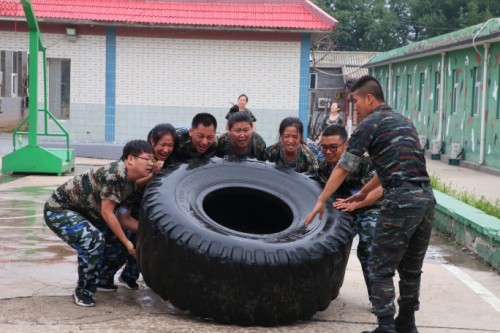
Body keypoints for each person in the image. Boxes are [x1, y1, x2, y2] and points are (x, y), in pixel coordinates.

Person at [305, 75, 436, 333]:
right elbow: (388, 168)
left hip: (400, 200)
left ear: (369, 98)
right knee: (411, 268)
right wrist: (362, 194)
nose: (355, 107)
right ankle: (407, 323)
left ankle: (386, 326)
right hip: (426, 199)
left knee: (380, 266)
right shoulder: (404, 122)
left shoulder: (370, 123)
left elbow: (344, 165)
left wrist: (321, 200)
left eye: (355, 101)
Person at [43, 140, 155, 307]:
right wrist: (127, 243)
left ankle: (102, 279)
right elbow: (107, 213)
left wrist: (152, 233)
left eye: (153, 160)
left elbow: (124, 218)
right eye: (147, 159)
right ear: (131, 159)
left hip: (87, 215)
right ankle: (84, 291)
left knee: (123, 236)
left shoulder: (130, 184)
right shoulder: (115, 174)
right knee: (93, 239)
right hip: (60, 210)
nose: (151, 164)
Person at [315, 124, 383, 308]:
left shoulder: (365, 161)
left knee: (368, 246)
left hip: (370, 207)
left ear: (346, 145)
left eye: (333, 147)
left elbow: (379, 189)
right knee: (325, 245)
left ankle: (378, 299)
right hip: (342, 209)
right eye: (324, 147)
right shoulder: (324, 168)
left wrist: (357, 204)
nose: (328, 152)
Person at [116, 123, 179, 290]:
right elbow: (133, 182)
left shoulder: (170, 159)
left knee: (142, 242)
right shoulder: (144, 156)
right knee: (127, 242)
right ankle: (106, 276)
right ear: (153, 141)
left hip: (148, 207)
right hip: (127, 206)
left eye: (170, 145)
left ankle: (129, 276)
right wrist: (153, 174)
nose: (166, 149)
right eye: (162, 145)